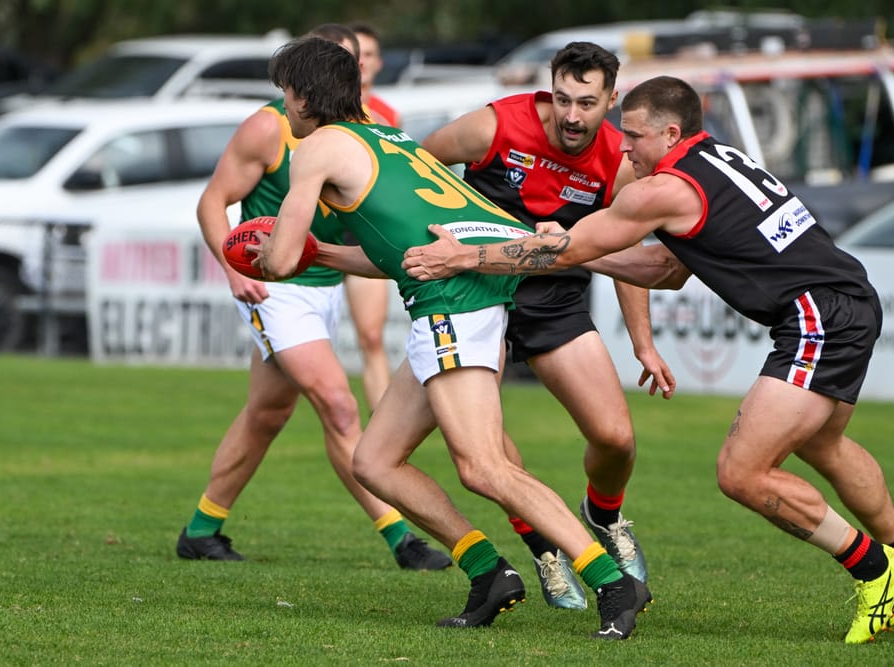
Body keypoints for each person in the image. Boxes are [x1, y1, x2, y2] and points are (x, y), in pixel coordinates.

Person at [401, 75, 894, 644]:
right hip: (845, 301)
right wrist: (590, 255)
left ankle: (879, 570)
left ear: (670, 131)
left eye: (633, 137)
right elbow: (666, 269)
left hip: (816, 316)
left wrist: (463, 256)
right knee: (824, 445)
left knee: (743, 472)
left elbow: (567, 248)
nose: (625, 148)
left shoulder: (661, 189)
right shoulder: (718, 158)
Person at [253, 35, 651, 639]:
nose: (284, 110)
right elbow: (401, 254)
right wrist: (326, 251)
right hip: (467, 286)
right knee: (376, 461)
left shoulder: (315, 149)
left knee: (484, 465)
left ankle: (611, 582)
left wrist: (259, 251)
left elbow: (280, 262)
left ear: (305, 98)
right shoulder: (386, 137)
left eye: (285, 95)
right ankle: (490, 573)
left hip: (453, 300)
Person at [176, 23, 451, 572]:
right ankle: (401, 538)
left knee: (267, 413)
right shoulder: (268, 128)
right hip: (273, 289)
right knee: (339, 403)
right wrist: (233, 275)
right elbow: (213, 202)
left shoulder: (374, 129)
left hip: (323, 284)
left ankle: (202, 529)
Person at [418, 41, 674, 610]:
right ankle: (544, 548)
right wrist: (438, 242)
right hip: (473, 291)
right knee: (487, 449)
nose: (572, 115)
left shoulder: (617, 159)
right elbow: (414, 170)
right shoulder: (492, 126)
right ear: (549, 91)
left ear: (611, 99)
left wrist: (643, 344)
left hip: (554, 293)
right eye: (562, 99)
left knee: (615, 438)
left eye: (587, 102)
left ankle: (603, 515)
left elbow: (627, 252)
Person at [337, 21, 399, 412]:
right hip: (318, 229)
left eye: (369, 55)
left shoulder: (388, 115)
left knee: (372, 337)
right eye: (353, 55)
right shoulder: (314, 110)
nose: (361, 63)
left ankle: (383, 431)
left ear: (378, 64)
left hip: (359, 234)